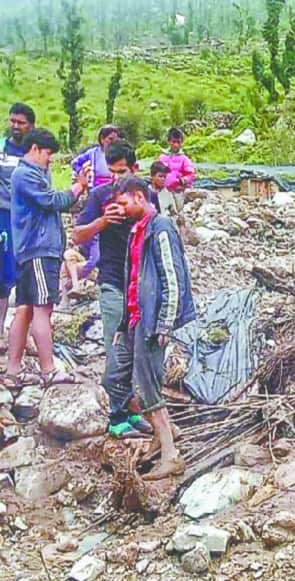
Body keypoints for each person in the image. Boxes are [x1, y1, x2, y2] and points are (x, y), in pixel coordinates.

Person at [104, 178, 195, 479]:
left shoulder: (161, 228)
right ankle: (163, 433)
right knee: (114, 378)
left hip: (151, 321)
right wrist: (122, 324)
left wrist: (165, 323)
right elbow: (132, 280)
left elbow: (172, 277)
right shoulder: (137, 231)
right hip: (133, 319)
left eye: (124, 203)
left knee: (147, 387)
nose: (121, 209)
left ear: (139, 197)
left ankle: (170, 454)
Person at [72, 142, 156, 437]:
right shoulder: (101, 195)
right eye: (113, 173)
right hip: (111, 281)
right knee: (116, 348)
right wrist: (103, 221)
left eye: (123, 172)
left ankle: (131, 410)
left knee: (137, 351)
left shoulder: (144, 196)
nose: (117, 179)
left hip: (140, 285)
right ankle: (116, 416)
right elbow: (78, 235)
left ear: (135, 169)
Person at [6, 128, 90, 386]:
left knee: (25, 310)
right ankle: (49, 370)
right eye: (47, 153)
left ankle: (13, 371)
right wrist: (78, 187)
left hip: (29, 251)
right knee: (43, 309)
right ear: (34, 149)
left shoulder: (32, 174)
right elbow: (53, 201)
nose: (50, 159)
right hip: (39, 250)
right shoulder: (26, 175)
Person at [0, 103, 35, 340]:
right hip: (3, 215)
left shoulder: (36, 151)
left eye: (20, 123)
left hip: (26, 220)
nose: (15, 126)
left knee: (20, 274)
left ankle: (22, 334)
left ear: (30, 125)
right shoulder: (1, 148)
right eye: (12, 121)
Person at [156, 128, 196, 226]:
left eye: (178, 142)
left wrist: (182, 181)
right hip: (164, 190)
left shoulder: (184, 159)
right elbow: (155, 171)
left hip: (177, 191)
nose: (176, 145)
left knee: (178, 213)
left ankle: (180, 230)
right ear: (169, 141)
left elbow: (191, 174)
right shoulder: (163, 157)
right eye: (173, 142)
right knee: (163, 212)